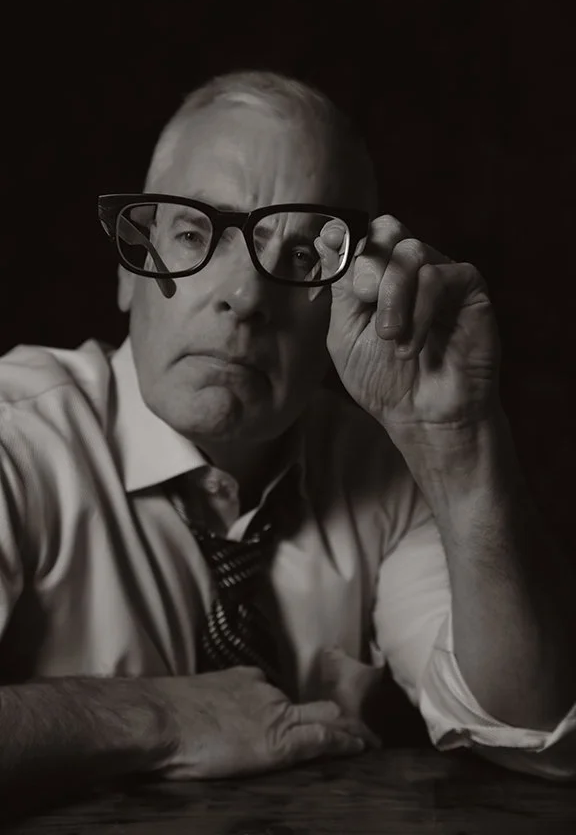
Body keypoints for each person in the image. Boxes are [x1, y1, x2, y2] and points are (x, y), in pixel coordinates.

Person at [0, 70, 575, 797]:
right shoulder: (16, 443)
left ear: (352, 293)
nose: (244, 298)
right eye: (191, 231)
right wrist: (149, 715)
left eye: (301, 257)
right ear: (129, 269)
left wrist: (461, 448)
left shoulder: (390, 473)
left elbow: (536, 738)